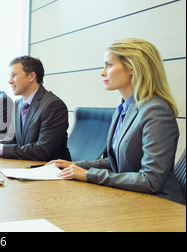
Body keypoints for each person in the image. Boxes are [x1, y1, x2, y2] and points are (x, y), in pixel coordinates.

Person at [49, 38, 185, 204]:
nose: (103, 72)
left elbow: (150, 180)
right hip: (130, 197)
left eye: (109, 65)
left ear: (132, 68)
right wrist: (76, 165)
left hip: (159, 204)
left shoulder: (156, 111)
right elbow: (116, 163)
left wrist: (88, 174)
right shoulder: (123, 109)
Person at [0, 56, 71, 161]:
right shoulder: (18, 104)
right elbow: (14, 140)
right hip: (25, 166)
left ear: (31, 76)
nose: (10, 81)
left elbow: (42, 150)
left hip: (52, 171)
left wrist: (0, 148)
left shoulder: (53, 105)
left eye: (14, 75)